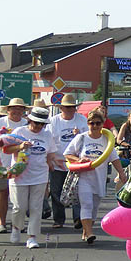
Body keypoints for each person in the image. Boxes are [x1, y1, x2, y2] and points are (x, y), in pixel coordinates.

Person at [63, 109, 127, 243]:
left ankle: (86, 231)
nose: (95, 126)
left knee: (94, 207)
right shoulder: (81, 138)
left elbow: (114, 159)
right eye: (92, 123)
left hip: (99, 178)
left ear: (103, 124)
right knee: (87, 204)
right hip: (84, 177)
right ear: (88, 123)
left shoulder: (107, 140)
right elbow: (67, 154)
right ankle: (90, 233)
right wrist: (78, 160)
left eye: (98, 123)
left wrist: (121, 173)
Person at [3, 107, 56, 249]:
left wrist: (51, 162)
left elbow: (50, 152)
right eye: (36, 123)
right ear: (29, 120)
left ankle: (32, 237)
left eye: (41, 124)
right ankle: (16, 227)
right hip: (19, 175)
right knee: (19, 207)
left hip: (40, 175)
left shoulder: (47, 135)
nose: (38, 126)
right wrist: (20, 146)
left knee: (36, 207)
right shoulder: (19, 132)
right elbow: (6, 149)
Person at [0, 98, 28, 233]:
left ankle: (19, 224)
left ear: (23, 110)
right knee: (2, 194)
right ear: (8, 110)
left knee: (20, 198)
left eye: (20, 108)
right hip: (1, 164)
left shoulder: (27, 124)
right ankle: (2, 223)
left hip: (22, 166)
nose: (17, 111)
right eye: (14, 108)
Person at [48, 94, 88, 229]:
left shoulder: (82, 120)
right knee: (56, 191)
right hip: (58, 160)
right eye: (67, 107)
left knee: (77, 190)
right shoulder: (53, 121)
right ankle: (59, 219)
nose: (70, 110)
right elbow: (49, 141)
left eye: (72, 108)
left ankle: (78, 218)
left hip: (76, 161)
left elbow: (89, 138)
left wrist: (79, 134)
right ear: (61, 108)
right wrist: (53, 158)